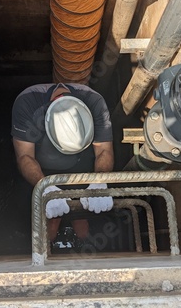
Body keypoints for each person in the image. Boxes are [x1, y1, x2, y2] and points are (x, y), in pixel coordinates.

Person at [11, 83, 114, 242]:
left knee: (81, 221)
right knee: (51, 221)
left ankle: (83, 245)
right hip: (41, 167)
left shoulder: (95, 103)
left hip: (81, 164)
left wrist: (99, 182)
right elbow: (25, 157)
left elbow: (103, 150)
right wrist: (45, 188)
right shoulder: (27, 103)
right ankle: (46, 250)